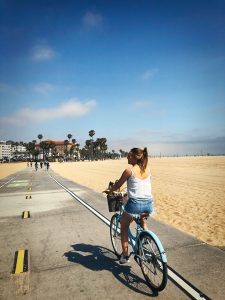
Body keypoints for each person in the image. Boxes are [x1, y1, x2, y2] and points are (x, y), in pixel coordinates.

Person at [107, 147, 154, 264]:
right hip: (149, 204)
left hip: (135, 205)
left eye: (129, 155)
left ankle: (125, 255)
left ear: (133, 157)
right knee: (142, 219)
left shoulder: (129, 170)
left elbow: (118, 184)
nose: (127, 157)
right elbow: (140, 186)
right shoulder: (147, 169)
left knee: (123, 226)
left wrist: (110, 190)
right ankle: (147, 238)